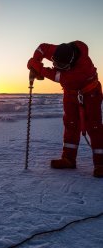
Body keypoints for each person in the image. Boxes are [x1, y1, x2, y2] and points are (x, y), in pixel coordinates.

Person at [27, 41, 103, 178]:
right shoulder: (58, 51)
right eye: (55, 64)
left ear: (71, 62)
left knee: (94, 126)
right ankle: (68, 159)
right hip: (70, 93)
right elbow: (42, 48)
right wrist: (36, 59)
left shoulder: (82, 67)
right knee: (71, 124)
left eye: (62, 66)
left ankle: (101, 164)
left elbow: (57, 76)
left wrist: (36, 66)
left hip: (90, 93)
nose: (57, 67)